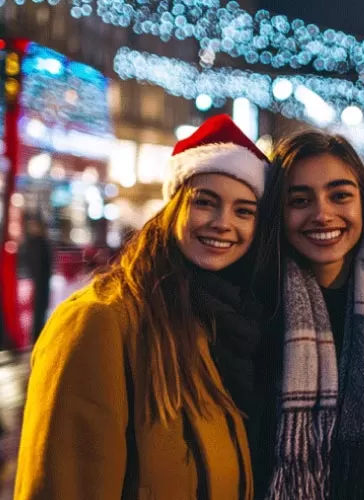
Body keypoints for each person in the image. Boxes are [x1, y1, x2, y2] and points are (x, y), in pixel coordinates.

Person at [15, 114, 274, 499]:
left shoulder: (225, 322)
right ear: (173, 210)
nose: (223, 223)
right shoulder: (100, 320)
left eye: (244, 211)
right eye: (205, 202)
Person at [261, 130, 364, 500]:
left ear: (363, 202)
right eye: (300, 200)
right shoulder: (253, 304)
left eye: (340, 195)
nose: (322, 214)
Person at [22, 214, 52, 343]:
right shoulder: (36, 243)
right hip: (39, 282)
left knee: (40, 309)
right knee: (37, 310)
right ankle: (36, 335)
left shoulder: (38, 243)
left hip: (42, 282)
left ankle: (37, 334)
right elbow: (37, 265)